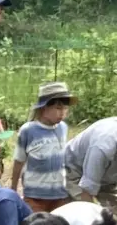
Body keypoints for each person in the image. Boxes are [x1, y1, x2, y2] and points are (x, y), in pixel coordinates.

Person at [12, 82, 74, 213]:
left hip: (59, 194)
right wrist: (13, 189)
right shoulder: (28, 130)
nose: (62, 113)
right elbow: (19, 161)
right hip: (35, 196)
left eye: (65, 108)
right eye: (58, 108)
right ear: (44, 108)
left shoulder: (63, 128)